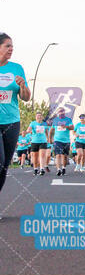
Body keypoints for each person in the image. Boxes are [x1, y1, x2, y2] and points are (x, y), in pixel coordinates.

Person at [0, 33, 30, 213]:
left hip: (12, 122)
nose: (11, 49)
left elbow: (26, 97)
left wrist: (22, 86)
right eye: (7, 46)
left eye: (12, 46)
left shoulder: (17, 68)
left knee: (4, 166)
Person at [49, 107, 74, 176]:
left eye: (62, 111)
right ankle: (58, 170)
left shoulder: (68, 120)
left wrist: (66, 126)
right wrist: (50, 138)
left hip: (66, 141)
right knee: (58, 154)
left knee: (65, 156)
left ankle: (63, 168)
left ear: (64, 112)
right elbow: (51, 130)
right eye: (60, 111)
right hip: (57, 140)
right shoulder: (55, 120)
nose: (61, 113)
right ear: (58, 113)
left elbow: (72, 127)